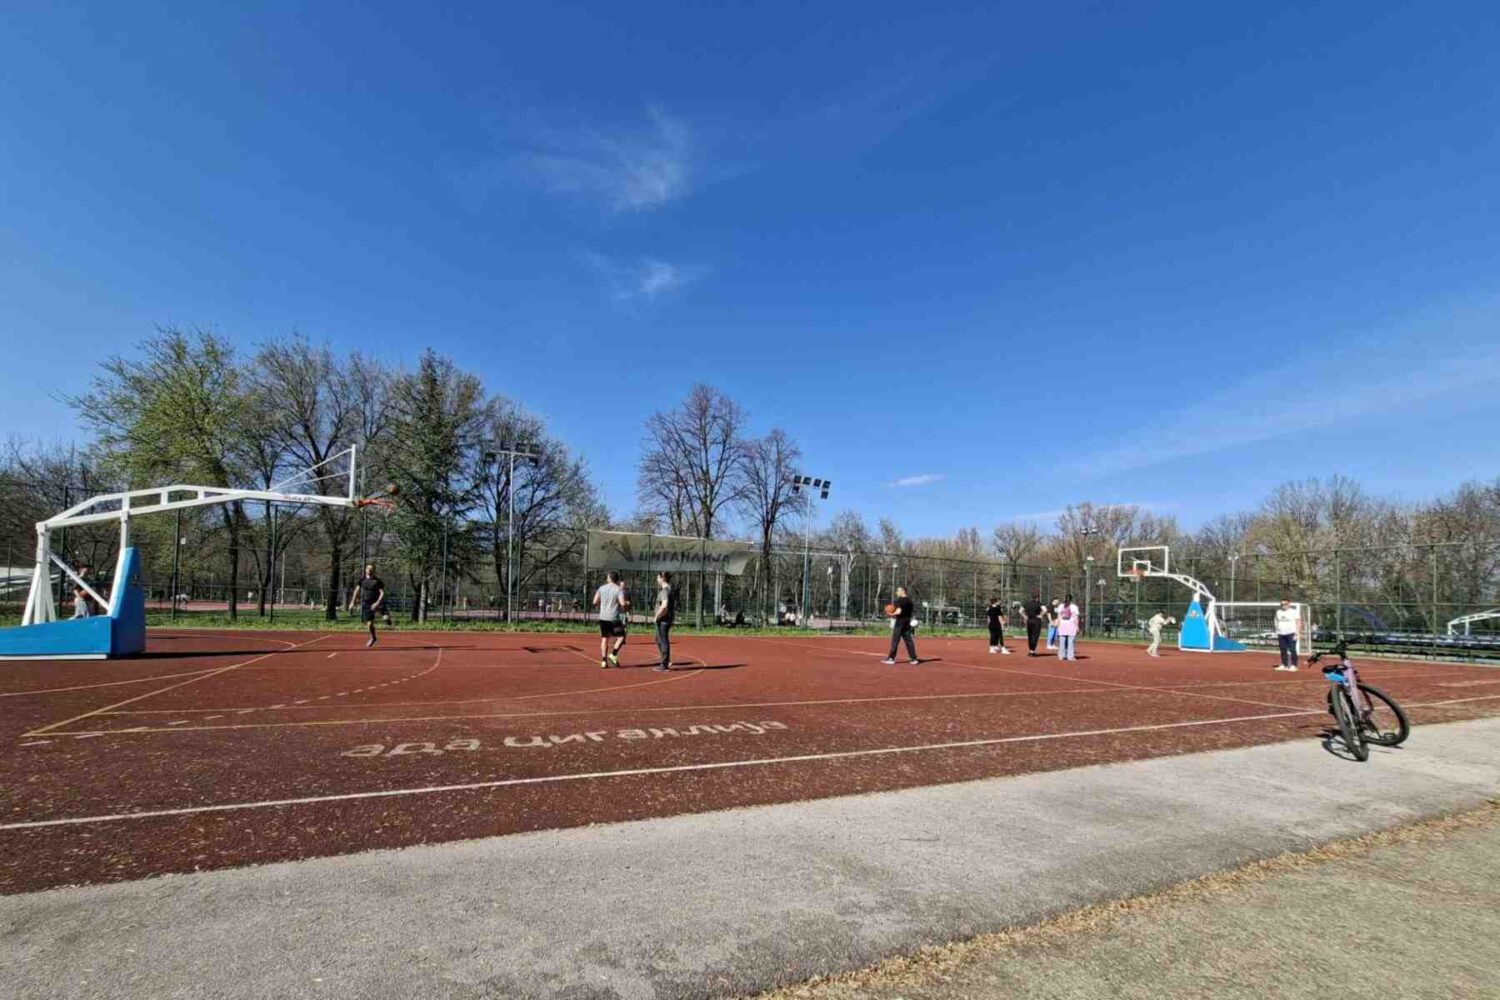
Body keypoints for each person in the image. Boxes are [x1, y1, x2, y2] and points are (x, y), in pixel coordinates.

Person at [592, 570, 629, 668]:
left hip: (603, 617)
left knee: (604, 639)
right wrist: (625, 607)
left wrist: (602, 606)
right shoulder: (618, 590)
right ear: (616, 580)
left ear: (610, 578)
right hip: (614, 617)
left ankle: (604, 661)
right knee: (621, 637)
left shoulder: (601, 588)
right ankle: (613, 654)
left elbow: (594, 601)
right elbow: (622, 603)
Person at [346, 564, 386, 647]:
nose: (369, 570)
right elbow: (356, 591)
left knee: (385, 617)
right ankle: (373, 637)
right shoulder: (362, 580)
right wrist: (352, 602)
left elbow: (382, 593)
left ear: (374, 571)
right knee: (369, 623)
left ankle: (385, 615)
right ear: (365, 570)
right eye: (368, 568)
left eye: (371, 569)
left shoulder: (378, 581)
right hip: (366, 603)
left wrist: (377, 603)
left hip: (376, 602)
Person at [882, 586, 919, 665]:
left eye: (898, 591)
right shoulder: (910, 601)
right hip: (907, 623)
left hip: (899, 623)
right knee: (909, 641)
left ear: (903, 591)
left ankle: (891, 658)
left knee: (895, 641)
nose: (897, 592)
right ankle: (914, 659)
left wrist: (891, 613)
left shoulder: (900, 600)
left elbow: (899, 611)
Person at [653, 571, 676, 672]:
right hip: (666, 618)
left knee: (663, 640)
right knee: (658, 640)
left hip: (663, 619)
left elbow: (664, 605)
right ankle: (666, 660)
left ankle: (664, 664)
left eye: (658, 578)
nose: (657, 580)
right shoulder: (669, 589)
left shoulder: (665, 591)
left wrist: (657, 616)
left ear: (663, 578)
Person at [1273, 598, 1301, 671]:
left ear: (1289, 604)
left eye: (1285, 604)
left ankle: (1294, 665)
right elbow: (1276, 621)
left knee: (1292, 649)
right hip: (1281, 634)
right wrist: (1277, 631)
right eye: (1282, 604)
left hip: (1291, 633)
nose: (1283, 605)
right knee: (1283, 650)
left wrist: (1297, 633)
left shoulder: (1294, 612)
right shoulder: (1278, 612)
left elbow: (1298, 622)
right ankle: (1284, 665)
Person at [1055, 593, 1081, 661]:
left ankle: (1061, 656)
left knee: (1062, 642)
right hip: (1071, 625)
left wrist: (1058, 625)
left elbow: (1058, 617)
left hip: (1062, 625)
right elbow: (1076, 617)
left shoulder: (1060, 606)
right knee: (1071, 642)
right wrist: (1077, 626)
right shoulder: (1074, 607)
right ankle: (1070, 656)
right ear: (1071, 599)